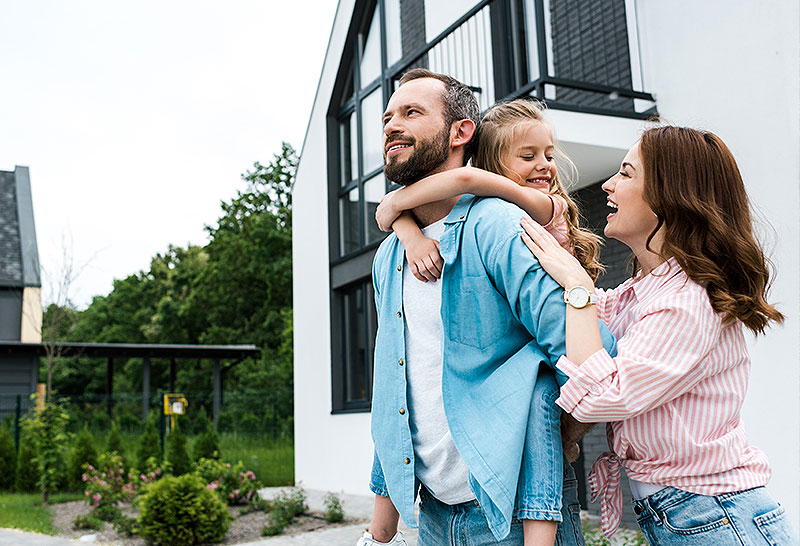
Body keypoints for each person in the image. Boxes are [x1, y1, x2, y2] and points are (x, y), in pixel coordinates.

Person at [359, 68, 615, 546]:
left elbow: (592, 355)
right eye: (388, 116)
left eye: (412, 113)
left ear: (461, 131)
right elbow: (396, 386)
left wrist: (557, 440)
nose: (392, 124)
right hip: (432, 512)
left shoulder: (499, 225)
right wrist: (382, 527)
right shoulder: (390, 254)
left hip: (518, 515)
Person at [519, 126, 799, 545]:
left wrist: (576, 286)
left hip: (715, 516)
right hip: (695, 514)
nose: (609, 185)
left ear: (670, 197)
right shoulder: (646, 289)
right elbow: (586, 317)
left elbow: (600, 397)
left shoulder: (686, 300)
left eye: (627, 174)